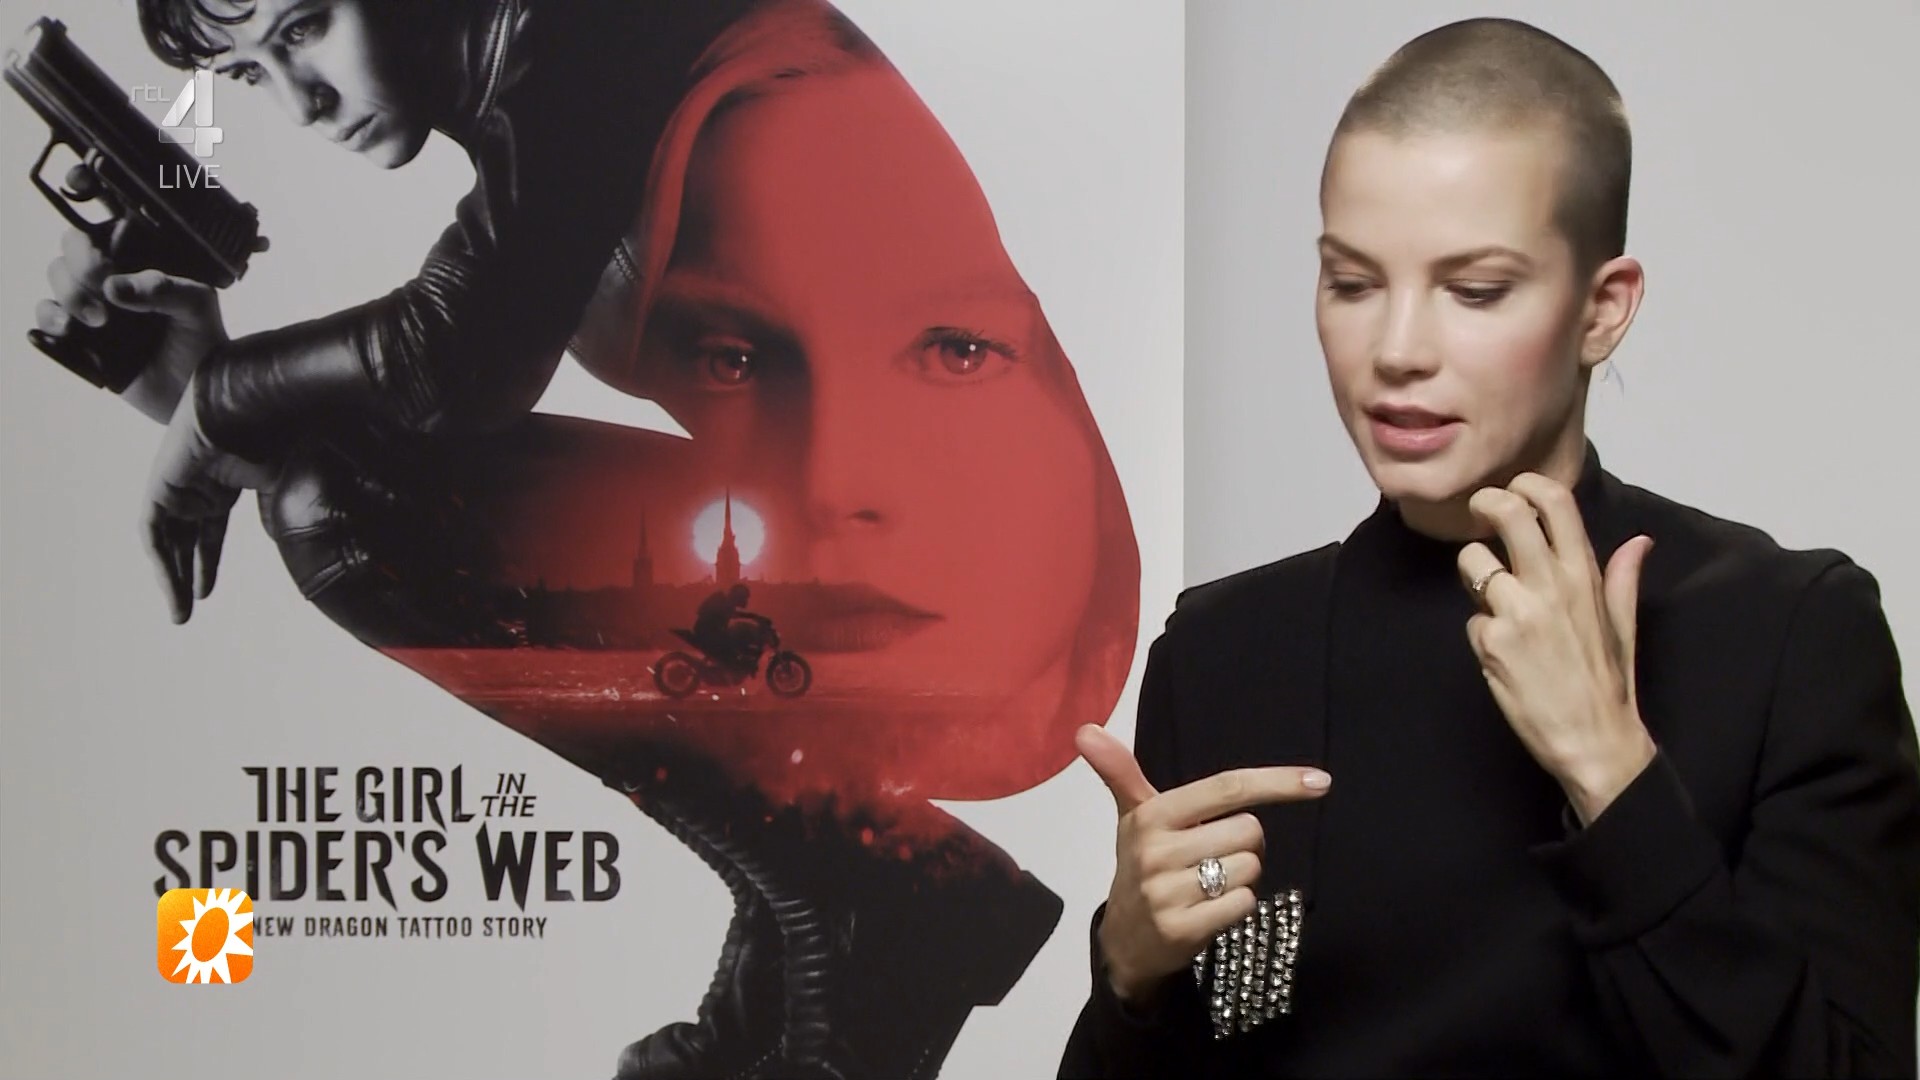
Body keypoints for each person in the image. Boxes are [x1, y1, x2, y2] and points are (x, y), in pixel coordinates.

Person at [1060, 17, 1920, 1078]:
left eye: (1474, 291)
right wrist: (1132, 979)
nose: (1396, 351)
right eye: (1352, 283)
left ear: (1603, 308)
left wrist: (1613, 777)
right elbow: (1220, 1036)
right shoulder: (1225, 651)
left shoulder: (1791, 636)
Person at [36, 0, 752, 622]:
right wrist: (220, 408)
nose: (301, 106)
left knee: (327, 504)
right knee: (324, 490)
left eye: (303, 28)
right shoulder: (517, 97)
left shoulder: (577, 27)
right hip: (789, 515)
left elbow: (452, 354)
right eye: (250, 72)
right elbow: (450, 379)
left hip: (818, 536)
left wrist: (222, 395)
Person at [692, 583, 773, 672]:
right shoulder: (721, 600)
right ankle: (728, 670)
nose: (745, 600)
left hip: (710, 632)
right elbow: (732, 614)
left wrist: (755, 617)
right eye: (744, 597)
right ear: (738, 596)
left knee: (736, 639)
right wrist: (754, 617)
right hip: (706, 633)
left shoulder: (726, 602)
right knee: (734, 644)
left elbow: (736, 614)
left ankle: (734, 668)